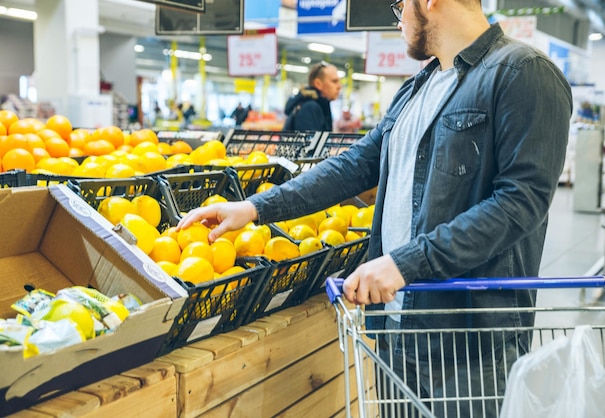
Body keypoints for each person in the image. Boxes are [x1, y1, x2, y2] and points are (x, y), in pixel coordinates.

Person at [177, 0, 572, 415]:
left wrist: (406, 264)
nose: (398, 18)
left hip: (466, 341)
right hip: (397, 327)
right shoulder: (418, 85)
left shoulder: (522, 72)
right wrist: (256, 207)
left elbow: (520, 204)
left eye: (400, 5)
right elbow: (355, 164)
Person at [282, 61, 342, 132]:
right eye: (334, 81)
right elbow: (310, 142)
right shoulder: (310, 108)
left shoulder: (320, 106)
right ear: (318, 84)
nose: (339, 86)